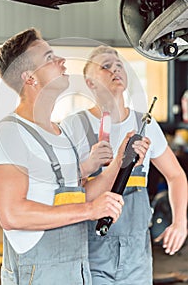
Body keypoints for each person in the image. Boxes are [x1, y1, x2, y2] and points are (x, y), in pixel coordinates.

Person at [0, 29, 149, 285]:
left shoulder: (60, 134)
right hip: (39, 275)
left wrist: (119, 162)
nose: (61, 61)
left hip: (76, 271)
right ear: (30, 78)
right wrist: (90, 210)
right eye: (49, 57)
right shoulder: (9, 134)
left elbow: (79, 194)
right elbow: (12, 214)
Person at [61, 45, 188, 285]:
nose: (115, 70)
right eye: (105, 66)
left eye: (119, 65)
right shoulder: (73, 126)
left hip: (137, 257)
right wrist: (90, 165)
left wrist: (180, 222)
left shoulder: (145, 125)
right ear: (90, 82)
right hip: (89, 253)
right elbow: (68, 193)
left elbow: (176, 176)